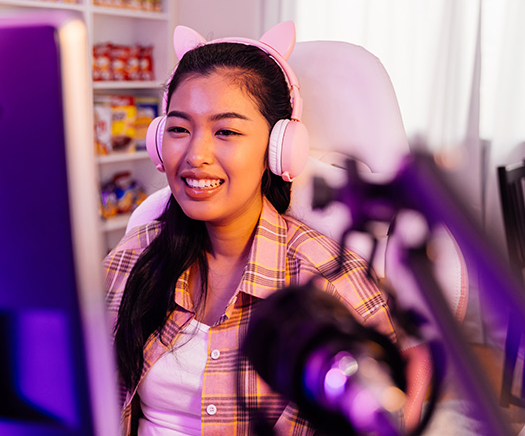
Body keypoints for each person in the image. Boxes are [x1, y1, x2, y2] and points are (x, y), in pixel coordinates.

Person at [103, 22, 397, 436]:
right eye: (178, 129)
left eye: (226, 131)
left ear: (279, 149)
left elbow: (395, 388)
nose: (196, 155)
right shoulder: (137, 252)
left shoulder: (327, 275)